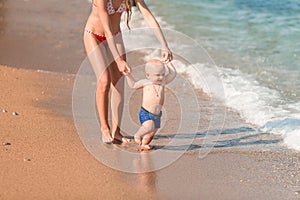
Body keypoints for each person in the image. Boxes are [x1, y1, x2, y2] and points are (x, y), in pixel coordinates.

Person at [83, 0, 173, 144]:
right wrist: (118, 60)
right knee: (104, 81)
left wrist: (164, 45)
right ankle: (105, 128)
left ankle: (116, 131)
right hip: (94, 35)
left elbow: (147, 15)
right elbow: (106, 29)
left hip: (115, 36)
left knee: (119, 83)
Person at [125, 59, 176, 149]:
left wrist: (168, 63)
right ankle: (138, 135)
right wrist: (128, 75)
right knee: (149, 126)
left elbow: (172, 74)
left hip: (157, 114)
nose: (161, 77)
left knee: (153, 131)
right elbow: (133, 85)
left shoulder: (163, 82)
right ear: (148, 76)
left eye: (163, 74)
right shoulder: (146, 83)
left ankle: (144, 143)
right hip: (146, 112)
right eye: (157, 75)